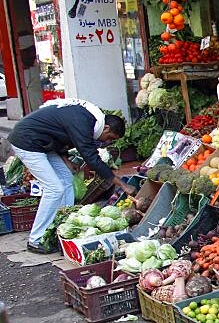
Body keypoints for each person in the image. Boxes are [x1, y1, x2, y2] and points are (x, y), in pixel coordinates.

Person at [7, 99, 132, 254]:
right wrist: (122, 184)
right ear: (106, 128)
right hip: (27, 142)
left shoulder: (88, 119)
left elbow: (60, 134)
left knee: (66, 179)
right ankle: (36, 240)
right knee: (54, 188)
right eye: (110, 138)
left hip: (44, 144)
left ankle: (61, 230)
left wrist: (66, 160)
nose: (108, 142)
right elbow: (91, 158)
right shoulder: (83, 121)